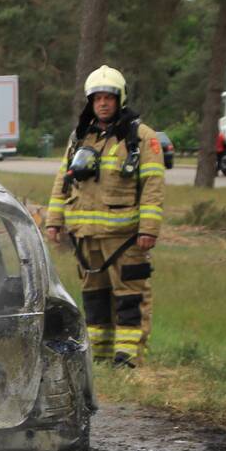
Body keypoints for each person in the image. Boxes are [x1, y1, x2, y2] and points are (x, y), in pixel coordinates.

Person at [44, 65, 165, 367]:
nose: (102, 103)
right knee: (94, 298)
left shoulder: (141, 137)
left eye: (108, 97)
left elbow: (153, 184)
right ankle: (98, 357)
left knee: (130, 299)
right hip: (86, 237)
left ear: (120, 98)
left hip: (125, 239)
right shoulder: (80, 137)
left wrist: (148, 228)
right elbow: (63, 180)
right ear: (90, 101)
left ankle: (128, 359)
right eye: (97, 98)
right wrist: (54, 220)